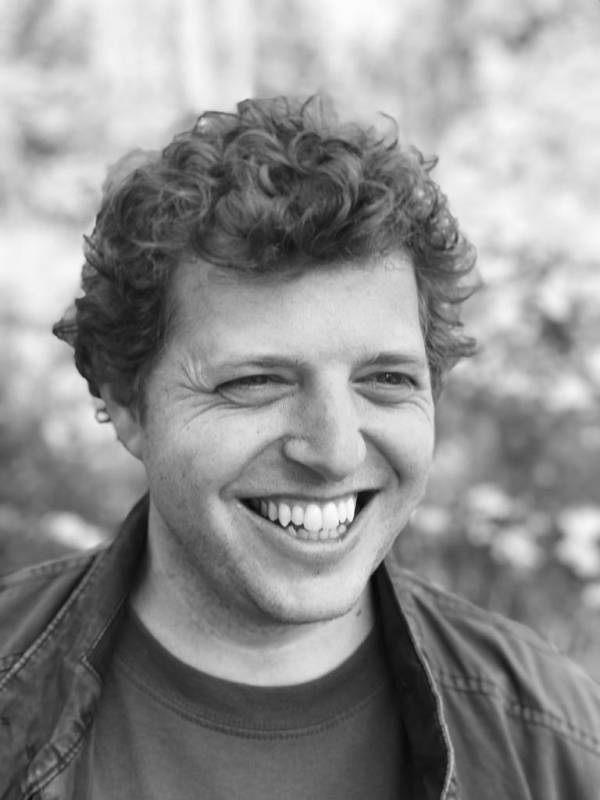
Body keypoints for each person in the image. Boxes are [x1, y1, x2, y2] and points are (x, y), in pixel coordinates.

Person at [1, 95, 599, 800]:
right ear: (129, 404)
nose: (336, 452)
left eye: (386, 380)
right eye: (255, 382)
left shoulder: (554, 744)